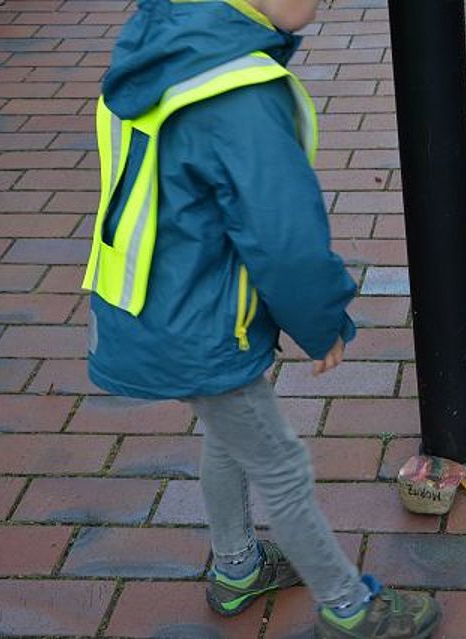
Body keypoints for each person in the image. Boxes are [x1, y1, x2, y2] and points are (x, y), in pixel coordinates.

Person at [81, 0, 442, 637]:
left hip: (164, 303)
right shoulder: (240, 92)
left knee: (230, 432)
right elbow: (285, 239)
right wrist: (322, 322)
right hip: (203, 318)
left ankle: (239, 567)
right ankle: (350, 608)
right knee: (279, 464)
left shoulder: (168, 40)